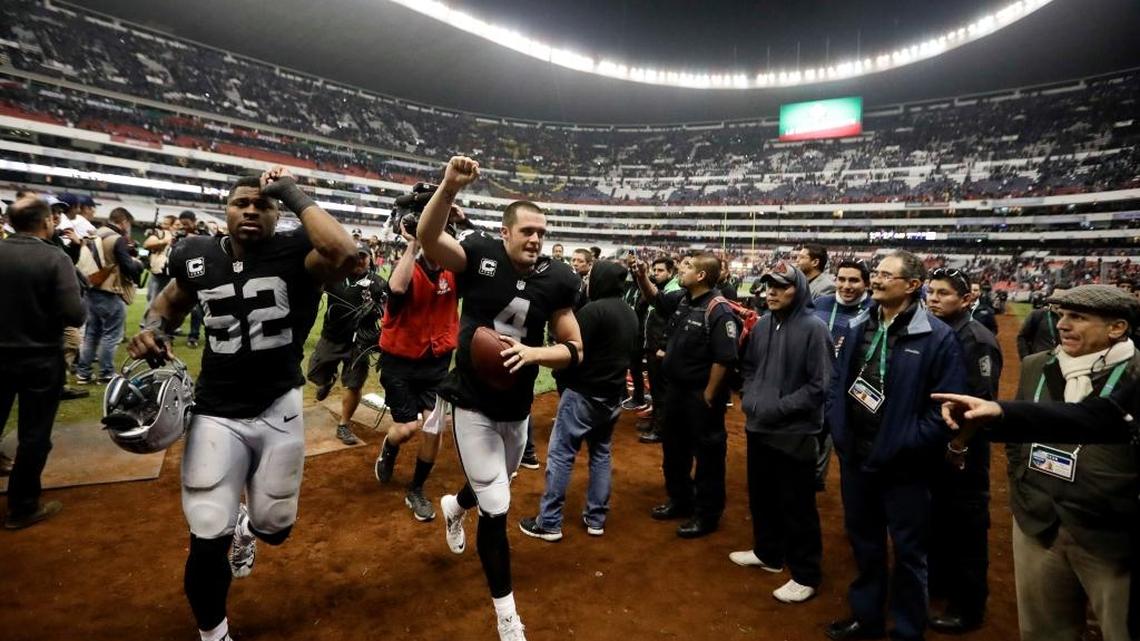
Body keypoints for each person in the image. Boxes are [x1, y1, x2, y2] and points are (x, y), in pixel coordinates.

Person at [127, 167, 356, 641]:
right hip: (215, 411)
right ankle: (214, 634)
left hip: (279, 407)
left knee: (275, 528)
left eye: (263, 204)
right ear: (225, 209)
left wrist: (290, 192)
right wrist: (155, 329)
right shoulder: (196, 254)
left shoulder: (298, 253)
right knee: (207, 530)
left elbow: (347, 254)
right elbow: (170, 303)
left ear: (278, 213)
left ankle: (248, 526)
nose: (251, 210)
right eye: (241, 203)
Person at [417, 155, 583, 641]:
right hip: (470, 399)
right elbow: (429, 239)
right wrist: (448, 187)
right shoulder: (479, 253)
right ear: (506, 233)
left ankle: (453, 505)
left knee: (496, 483)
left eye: (541, 231)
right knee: (498, 502)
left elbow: (574, 349)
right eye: (526, 230)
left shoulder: (558, 279)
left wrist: (536, 352)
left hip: (517, 405)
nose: (535, 238)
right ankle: (507, 616)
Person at [825, 250, 966, 641]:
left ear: (911, 285)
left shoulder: (938, 337)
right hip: (857, 458)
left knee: (909, 553)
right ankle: (866, 616)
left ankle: (907, 628)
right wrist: (839, 428)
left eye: (887, 274)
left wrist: (908, 444)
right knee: (865, 544)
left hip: (905, 467)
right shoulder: (860, 324)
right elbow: (839, 382)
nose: (876, 279)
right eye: (877, 272)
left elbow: (945, 408)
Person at [1001, 285, 1140, 641]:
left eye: (1077, 316)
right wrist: (1021, 485)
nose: (1061, 324)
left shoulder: (1136, 375)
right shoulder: (1037, 365)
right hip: (1038, 520)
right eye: (1061, 314)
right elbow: (1016, 438)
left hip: (1110, 532)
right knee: (1042, 631)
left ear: (1117, 328)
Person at [730, 262, 832, 604]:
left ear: (797, 290)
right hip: (759, 426)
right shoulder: (762, 325)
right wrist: (751, 395)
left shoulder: (814, 328)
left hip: (794, 431)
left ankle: (806, 574)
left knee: (797, 505)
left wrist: (777, 407)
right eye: (769, 285)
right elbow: (749, 366)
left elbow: (819, 386)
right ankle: (769, 554)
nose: (772, 292)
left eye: (781, 286)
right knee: (762, 496)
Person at [519, 260, 638, 541]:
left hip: (584, 394)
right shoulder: (629, 312)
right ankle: (596, 518)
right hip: (612, 395)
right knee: (600, 454)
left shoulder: (593, 311)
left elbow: (570, 353)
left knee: (561, 454)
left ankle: (549, 522)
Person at [632, 251, 740, 539]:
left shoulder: (718, 309)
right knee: (674, 451)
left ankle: (706, 515)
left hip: (700, 397)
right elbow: (655, 298)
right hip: (676, 392)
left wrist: (708, 394)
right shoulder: (682, 299)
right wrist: (642, 276)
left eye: (688, 266)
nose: (681, 268)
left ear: (702, 276)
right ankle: (680, 500)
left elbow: (725, 358)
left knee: (707, 457)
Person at [924, 267, 1003, 633]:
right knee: (938, 518)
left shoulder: (977, 339)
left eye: (944, 293)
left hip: (964, 448)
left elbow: (981, 402)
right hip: (938, 440)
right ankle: (938, 584)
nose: (935, 298)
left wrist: (958, 445)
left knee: (967, 527)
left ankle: (968, 607)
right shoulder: (938, 330)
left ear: (967, 299)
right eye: (932, 291)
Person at [0, 198, 85, 529]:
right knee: (34, 435)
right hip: (39, 358)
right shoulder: (54, 257)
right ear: (47, 222)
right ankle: (22, 507)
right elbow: (74, 314)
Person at [373, 221, 459, 522]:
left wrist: (463, 221)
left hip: (436, 364)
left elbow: (482, 253)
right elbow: (396, 288)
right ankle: (390, 445)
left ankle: (416, 489)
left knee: (436, 427)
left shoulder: (454, 269)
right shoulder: (410, 266)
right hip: (401, 363)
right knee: (408, 428)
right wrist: (413, 243)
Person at [306, 240, 387, 446]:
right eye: (356, 255)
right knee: (314, 373)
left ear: (370, 258)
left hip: (359, 343)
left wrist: (378, 312)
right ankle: (327, 379)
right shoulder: (334, 276)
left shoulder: (377, 283)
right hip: (331, 336)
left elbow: (388, 313)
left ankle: (344, 424)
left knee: (354, 383)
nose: (359, 260)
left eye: (363, 256)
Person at [812, 258, 872, 490]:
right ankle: (814, 479)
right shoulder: (820, 304)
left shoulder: (873, 310)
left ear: (866, 284)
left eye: (854, 280)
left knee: (850, 440)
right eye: (842, 279)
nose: (847, 285)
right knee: (817, 430)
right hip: (818, 380)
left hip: (854, 387)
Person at [76, 207, 144, 384]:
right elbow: (128, 267)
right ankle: (106, 372)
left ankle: (83, 372)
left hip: (92, 289)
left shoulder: (95, 234)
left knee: (92, 334)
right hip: (109, 290)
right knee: (111, 334)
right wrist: (137, 265)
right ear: (123, 221)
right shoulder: (117, 239)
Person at [638, 256, 681, 444]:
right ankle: (655, 422)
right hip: (653, 345)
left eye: (660, 270)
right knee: (656, 389)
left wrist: (663, 346)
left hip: (660, 349)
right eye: (654, 270)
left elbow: (672, 324)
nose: (656, 274)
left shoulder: (675, 291)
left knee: (661, 390)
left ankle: (660, 430)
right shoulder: (665, 288)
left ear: (671, 272)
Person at [143, 215, 177, 324]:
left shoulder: (179, 236)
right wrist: (164, 241)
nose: (163, 226)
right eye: (164, 223)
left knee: (168, 300)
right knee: (153, 299)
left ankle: (158, 324)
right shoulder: (160, 233)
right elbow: (147, 244)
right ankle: (147, 324)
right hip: (159, 271)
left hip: (171, 272)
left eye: (166, 224)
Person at [1017, 295, 1062, 360]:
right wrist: (1025, 358)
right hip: (1040, 361)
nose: (1058, 298)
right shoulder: (1037, 315)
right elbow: (1022, 337)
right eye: (1057, 294)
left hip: (1063, 363)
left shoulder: (1073, 318)